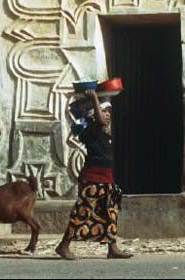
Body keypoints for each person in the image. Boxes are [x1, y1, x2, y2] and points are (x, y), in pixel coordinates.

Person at [55, 89, 132, 260]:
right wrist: (95, 98)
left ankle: (113, 248)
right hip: (93, 178)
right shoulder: (90, 130)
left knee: (110, 213)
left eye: (108, 111)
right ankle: (63, 245)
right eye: (104, 111)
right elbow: (99, 121)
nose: (108, 115)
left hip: (106, 178)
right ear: (93, 115)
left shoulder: (102, 133)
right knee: (82, 212)